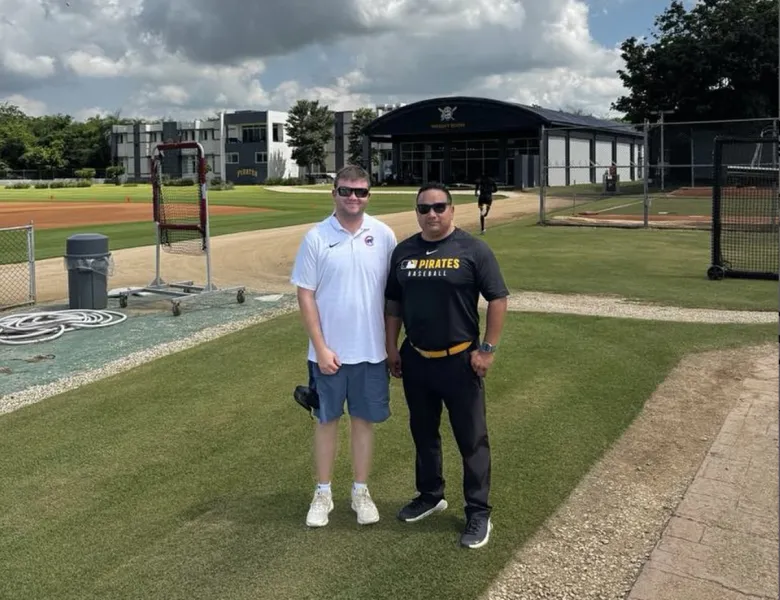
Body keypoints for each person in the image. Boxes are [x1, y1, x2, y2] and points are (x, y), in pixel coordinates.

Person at [384, 182, 509, 549]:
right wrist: (392, 347)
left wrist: (487, 349)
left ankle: (478, 511)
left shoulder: (473, 249)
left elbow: (498, 298)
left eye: (439, 207)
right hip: (417, 360)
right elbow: (393, 302)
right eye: (424, 208)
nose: (432, 214)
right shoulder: (403, 252)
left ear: (452, 210)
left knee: (471, 439)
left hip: (460, 361)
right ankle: (430, 494)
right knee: (423, 434)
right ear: (417, 212)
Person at [290, 164, 397, 528]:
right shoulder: (317, 237)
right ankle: (323, 494)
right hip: (328, 354)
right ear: (333, 192)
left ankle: (360, 492)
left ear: (369, 194)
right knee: (326, 421)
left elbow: (393, 295)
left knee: (364, 423)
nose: (354, 197)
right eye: (346, 191)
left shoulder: (383, 235)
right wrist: (320, 348)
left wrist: (391, 345)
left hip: (371, 350)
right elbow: (305, 295)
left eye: (361, 191)